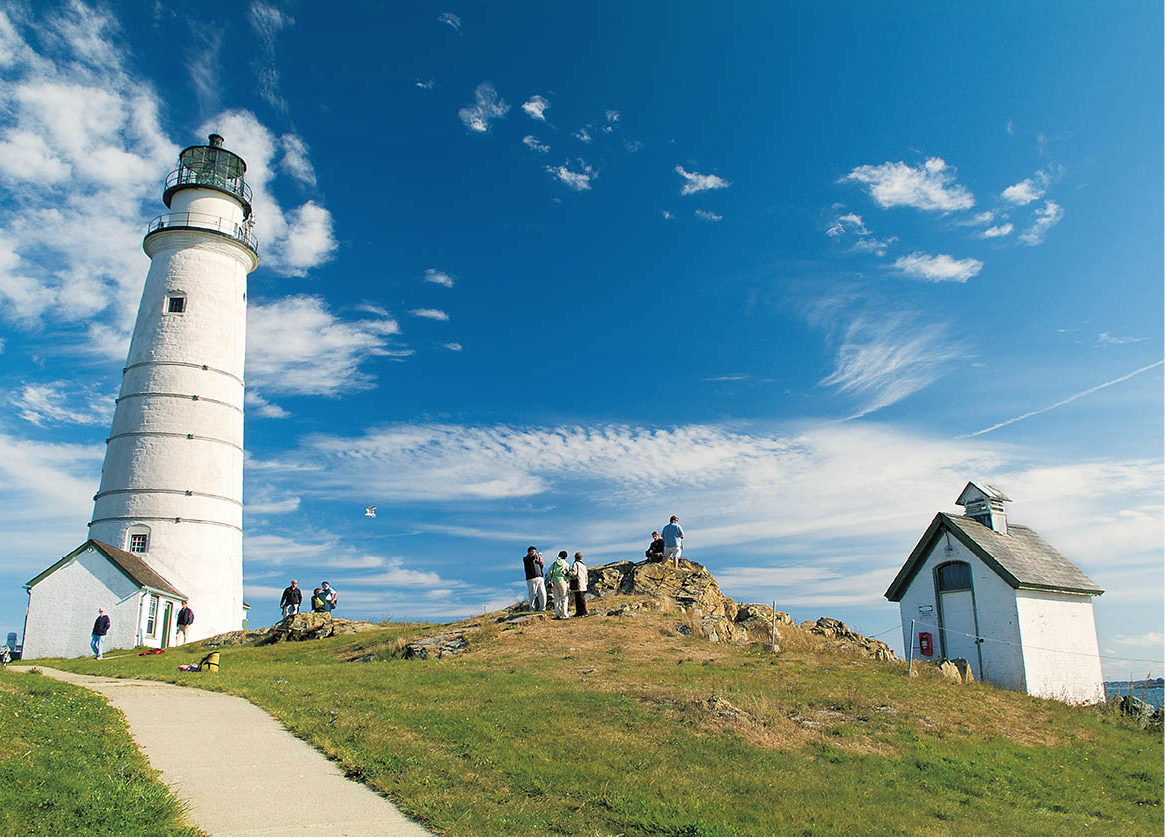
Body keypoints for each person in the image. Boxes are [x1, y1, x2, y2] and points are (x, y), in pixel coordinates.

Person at [546, 552, 571, 619]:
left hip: (554, 581)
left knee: (556, 598)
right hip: (562, 581)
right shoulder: (566, 564)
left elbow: (549, 572)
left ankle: (557, 614)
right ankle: (565, 615)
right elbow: (569, 573)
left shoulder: (554, 564)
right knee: (564, 598)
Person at [523, 546, 547, 612]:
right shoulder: (526, 558)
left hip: (540, 577)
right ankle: (532, 608)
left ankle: (542, 608)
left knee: (542, 593)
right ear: (529, 552)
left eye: (534, 551)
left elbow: (540, 567)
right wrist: (535, 556)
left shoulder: (537, 559)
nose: (533, 553)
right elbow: (530, 560)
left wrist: (541, 563)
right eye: (532, 551)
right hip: (531, 579)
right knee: (532, 594)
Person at [569, 552, 589, 617]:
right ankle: (582, 612)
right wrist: (586, 583)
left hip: (578, 583)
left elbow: (574, 573)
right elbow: (586, 575)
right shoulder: (584, 565)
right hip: (583, 583)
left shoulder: (576, 564)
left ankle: (581, 612)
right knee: (582, 598)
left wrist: (568, 573)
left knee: (578, 599)